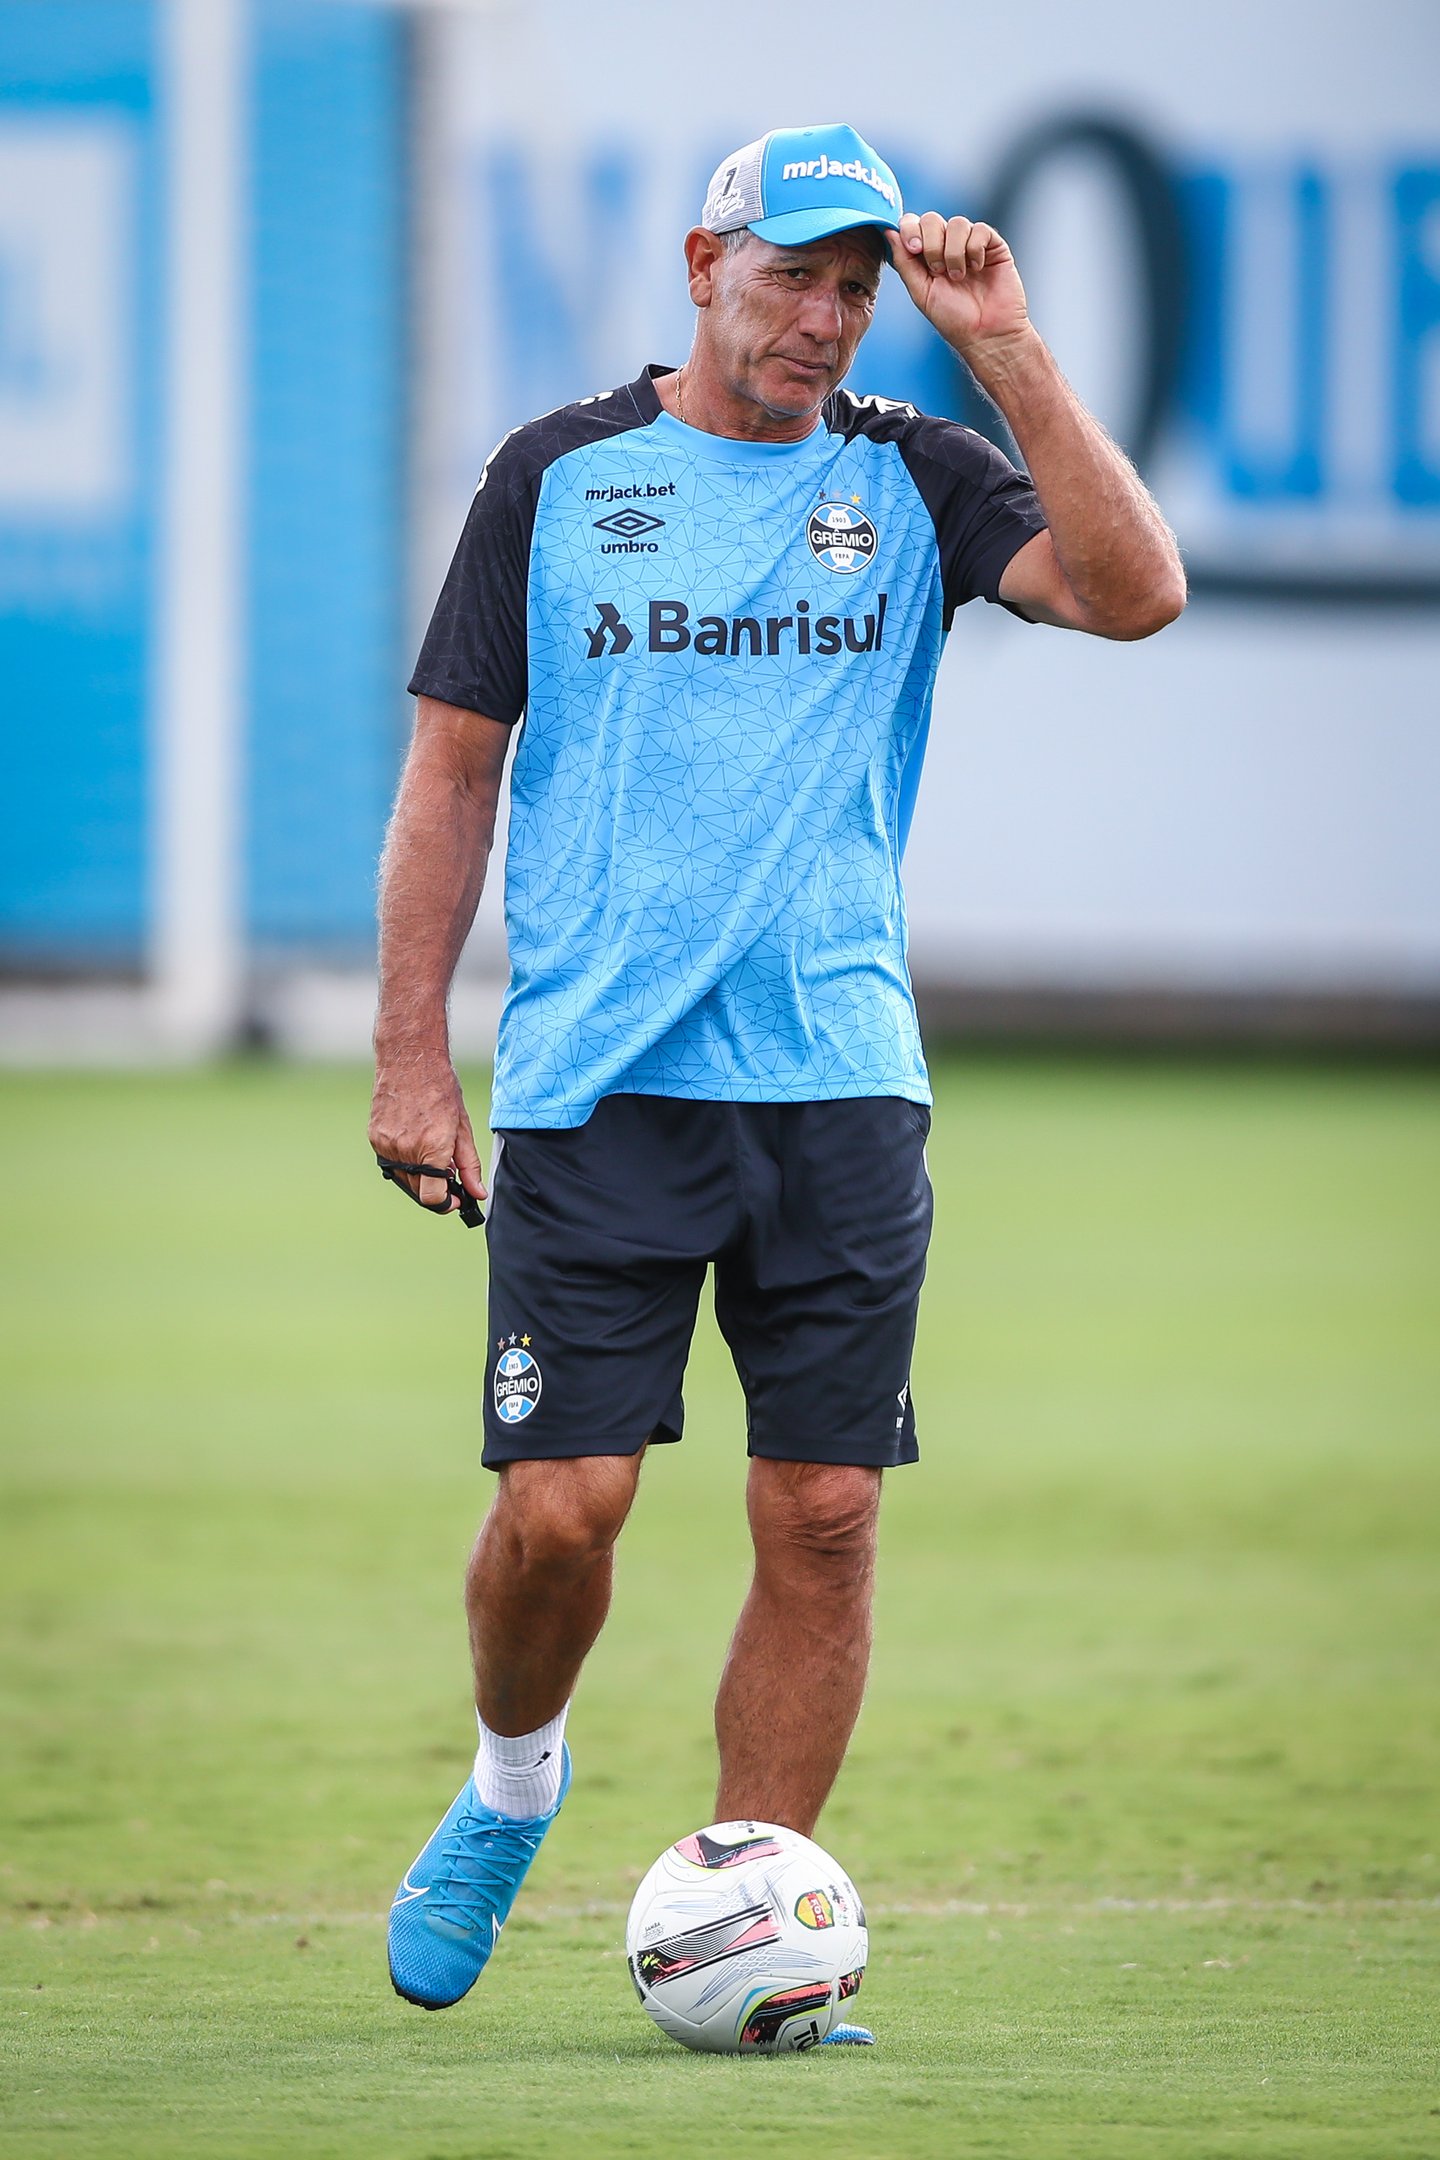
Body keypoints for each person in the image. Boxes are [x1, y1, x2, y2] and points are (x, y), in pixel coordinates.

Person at [372, 122, 1185, 2022]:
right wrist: (413, 1052)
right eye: (790, 276)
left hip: (837, 1077)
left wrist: (1007, 349)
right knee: (563, 1508)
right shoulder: (558, 476)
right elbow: (452, 773)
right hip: (596, 1083)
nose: (822, 318)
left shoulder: (916, 473)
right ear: (700, 262)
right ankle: (511, 1787)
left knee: (822, 1514)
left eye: (853, 286)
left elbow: (1134, 592)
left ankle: (761, 1931)